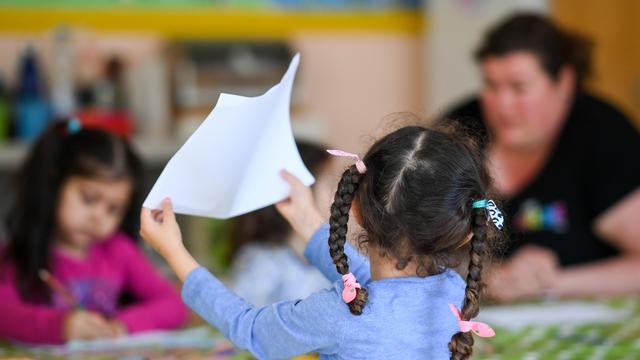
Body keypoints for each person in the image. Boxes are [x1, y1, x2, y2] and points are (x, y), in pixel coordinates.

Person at [140, 122, 504, 359]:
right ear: (465, 230)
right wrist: (305, 219)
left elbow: (251, 329)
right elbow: (378, 289)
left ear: (356, 209)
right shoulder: (455, 292)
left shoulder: (339, 313)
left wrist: (174, 252)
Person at [446, 13, 640, 302]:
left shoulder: (604, 137)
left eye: (519, 88)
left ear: (564, 83)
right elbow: (418, 248)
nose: (503, 104)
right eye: (491, 85)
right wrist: (488, 275)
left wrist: (551, 283)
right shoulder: (461, 129)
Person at [0, 119, 188, 344]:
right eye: (89, 199)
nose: (98, 217)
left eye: (113, 209)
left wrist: (123, 325)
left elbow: (174, 304)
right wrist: (60, 326)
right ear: (53, 185)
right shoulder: (19, 256)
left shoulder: (119, 250)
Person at [229, 141, 332, 306]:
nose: (337, 194)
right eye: (329, 184)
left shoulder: (330, 260)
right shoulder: (263, 262)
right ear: (295, 192)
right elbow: (241, 320)